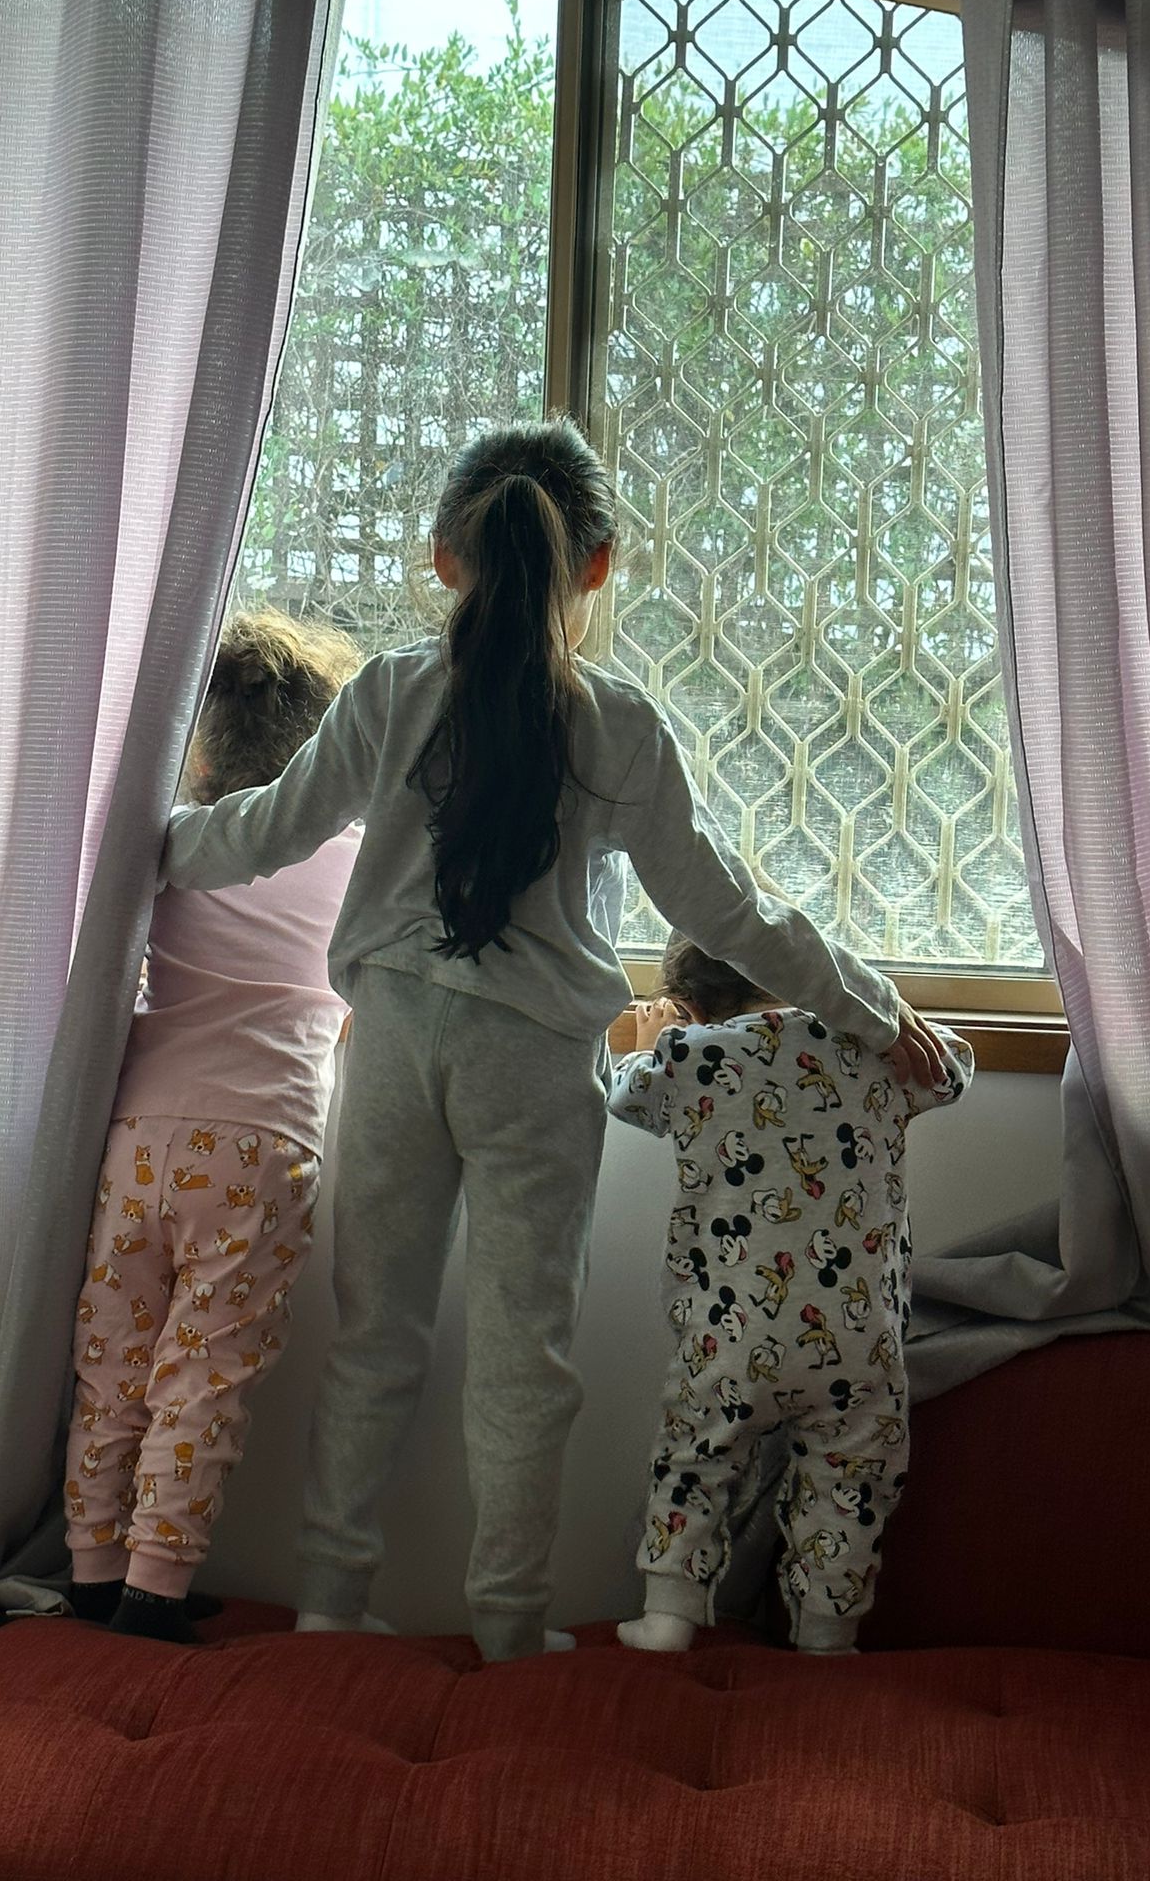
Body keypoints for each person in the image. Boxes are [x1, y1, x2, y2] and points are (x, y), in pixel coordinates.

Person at [161, 417, 952, 1663]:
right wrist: (869, 1004)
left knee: (376, 1336)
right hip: (533, 1062)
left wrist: (120, 840)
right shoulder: (622, 726)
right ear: (597, 566)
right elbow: (728, 911)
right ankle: (509, 1630)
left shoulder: (390, 692)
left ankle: (326, 1604)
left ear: (443, 561)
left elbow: (255, 833)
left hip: (398, 1038)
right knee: (526, 1358)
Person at [62, 610, 362, 1643]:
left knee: (113, 1361)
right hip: (264, 1141)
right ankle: (155, 1589)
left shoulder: (176, 845)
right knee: (203, 1375)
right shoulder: (353, 855)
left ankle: (92, 1573)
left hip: (143, 1130)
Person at [610, 933, 971, 1654]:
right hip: (859, 1341)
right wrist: (880, 1011)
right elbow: (954, 1067)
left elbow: (624, 1093)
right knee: (852, 1481)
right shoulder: (879, 1050)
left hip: (730, 1333)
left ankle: (669, 1619)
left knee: (696, 1458)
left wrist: (663, 1039)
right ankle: (828, 1637)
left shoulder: (694, 1056)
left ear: (694, 1001)